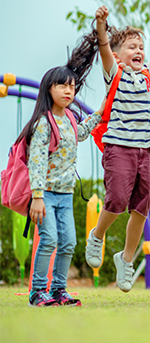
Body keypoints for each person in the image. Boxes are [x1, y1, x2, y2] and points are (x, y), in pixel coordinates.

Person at [85, 4, 150, 292]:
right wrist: (101, 24)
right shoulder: (115, 72)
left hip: (145, 150)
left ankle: (125, 259)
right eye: (131, 47)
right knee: (115, 200)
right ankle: (97, 235)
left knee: (140, 208)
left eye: (141, 46)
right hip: (119, 148)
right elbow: (102, 46)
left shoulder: (149, 73)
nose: (138, 51)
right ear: (117, 54)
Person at [21, 32, 105, 307]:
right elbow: (36, 160)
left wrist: (99, 113)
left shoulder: (68, 117)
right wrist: (36, 196)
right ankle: (37, 292)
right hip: (45, 194)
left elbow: (79, 134)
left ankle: (58, 291)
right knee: (48, 241)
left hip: (66, 194)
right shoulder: (43, 122)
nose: (69, 91)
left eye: (72, 87)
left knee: (68, 242)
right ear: (49, 89)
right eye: (62, 86)